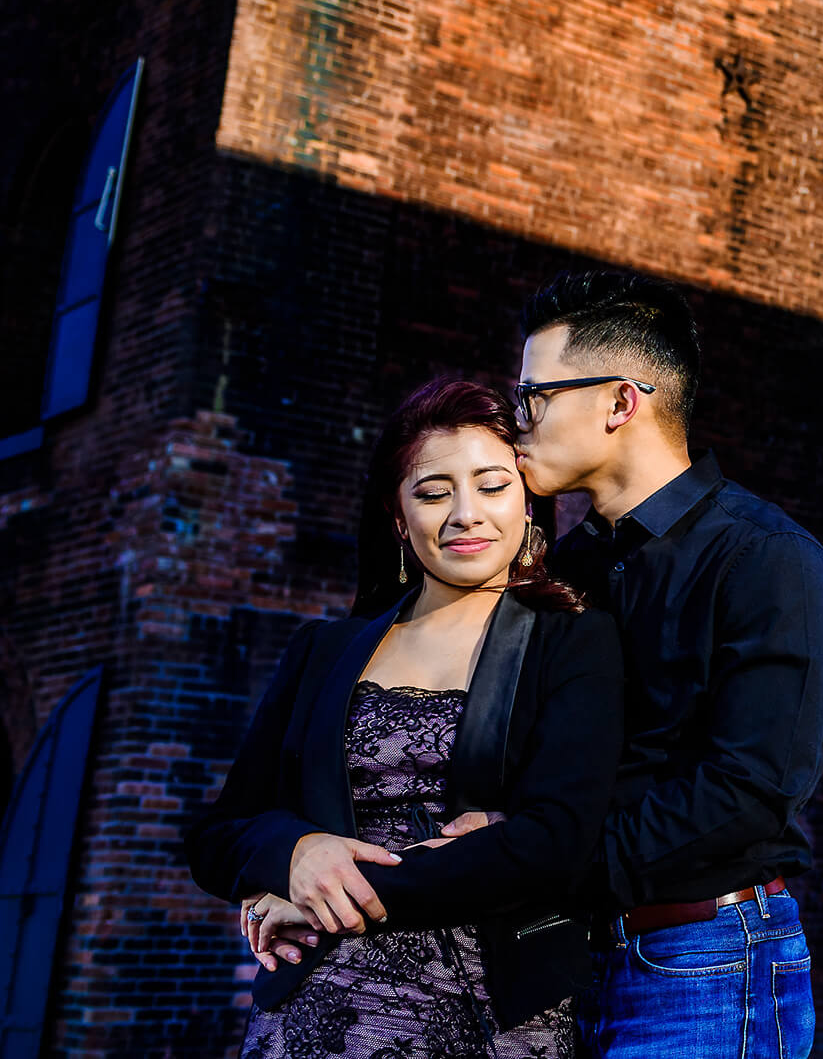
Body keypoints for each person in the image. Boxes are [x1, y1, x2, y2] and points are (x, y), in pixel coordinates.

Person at [448, 269, 823, 1057]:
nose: (516, 418)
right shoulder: (563, 571)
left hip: (707, 961)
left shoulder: (769, 562)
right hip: (562, 961)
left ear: (620, 401)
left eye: (533, 396)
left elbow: (750, 787)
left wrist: (543, 861)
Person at [185, 379, 624, 1059]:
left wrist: (332, 895)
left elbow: (555, 842)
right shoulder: (322, 651)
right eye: (433, 492)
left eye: (491, 485)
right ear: (398, 516)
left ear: (529, 501)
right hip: (317, 1011)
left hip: (494, 1011)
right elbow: (218, 835)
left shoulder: (573, 641)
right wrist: (297, 855)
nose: (466, 515)